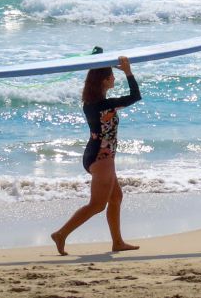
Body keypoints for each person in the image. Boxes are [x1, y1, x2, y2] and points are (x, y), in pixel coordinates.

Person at [51, 56, 142, 255]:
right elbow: (135, 96)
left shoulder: (90, 103)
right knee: (97, 205)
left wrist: (101, 58)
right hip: (102, 158)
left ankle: (117, 242)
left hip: (96, 154)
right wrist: (128, 71)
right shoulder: (104, 106)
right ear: (104, 81)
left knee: (116, 197)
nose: (114, 79)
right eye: (112, 76)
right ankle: (61, 234)